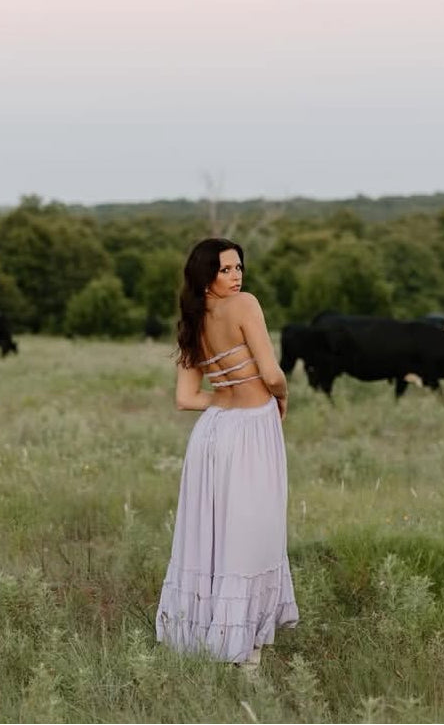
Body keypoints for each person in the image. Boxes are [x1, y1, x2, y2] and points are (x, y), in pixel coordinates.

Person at [156, 238, 298, 667]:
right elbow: (271, 372)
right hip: (252, 429)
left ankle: (207, 635)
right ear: (206, 275)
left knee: (214, 534)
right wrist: (283, 397)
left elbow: (186, 397)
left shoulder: (192, 320)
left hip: (213, 435)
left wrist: (224, 399)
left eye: (239, 268)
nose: (236, 277)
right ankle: (244, 651)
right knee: (251, 534)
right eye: (225, 270)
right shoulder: (246, 306)